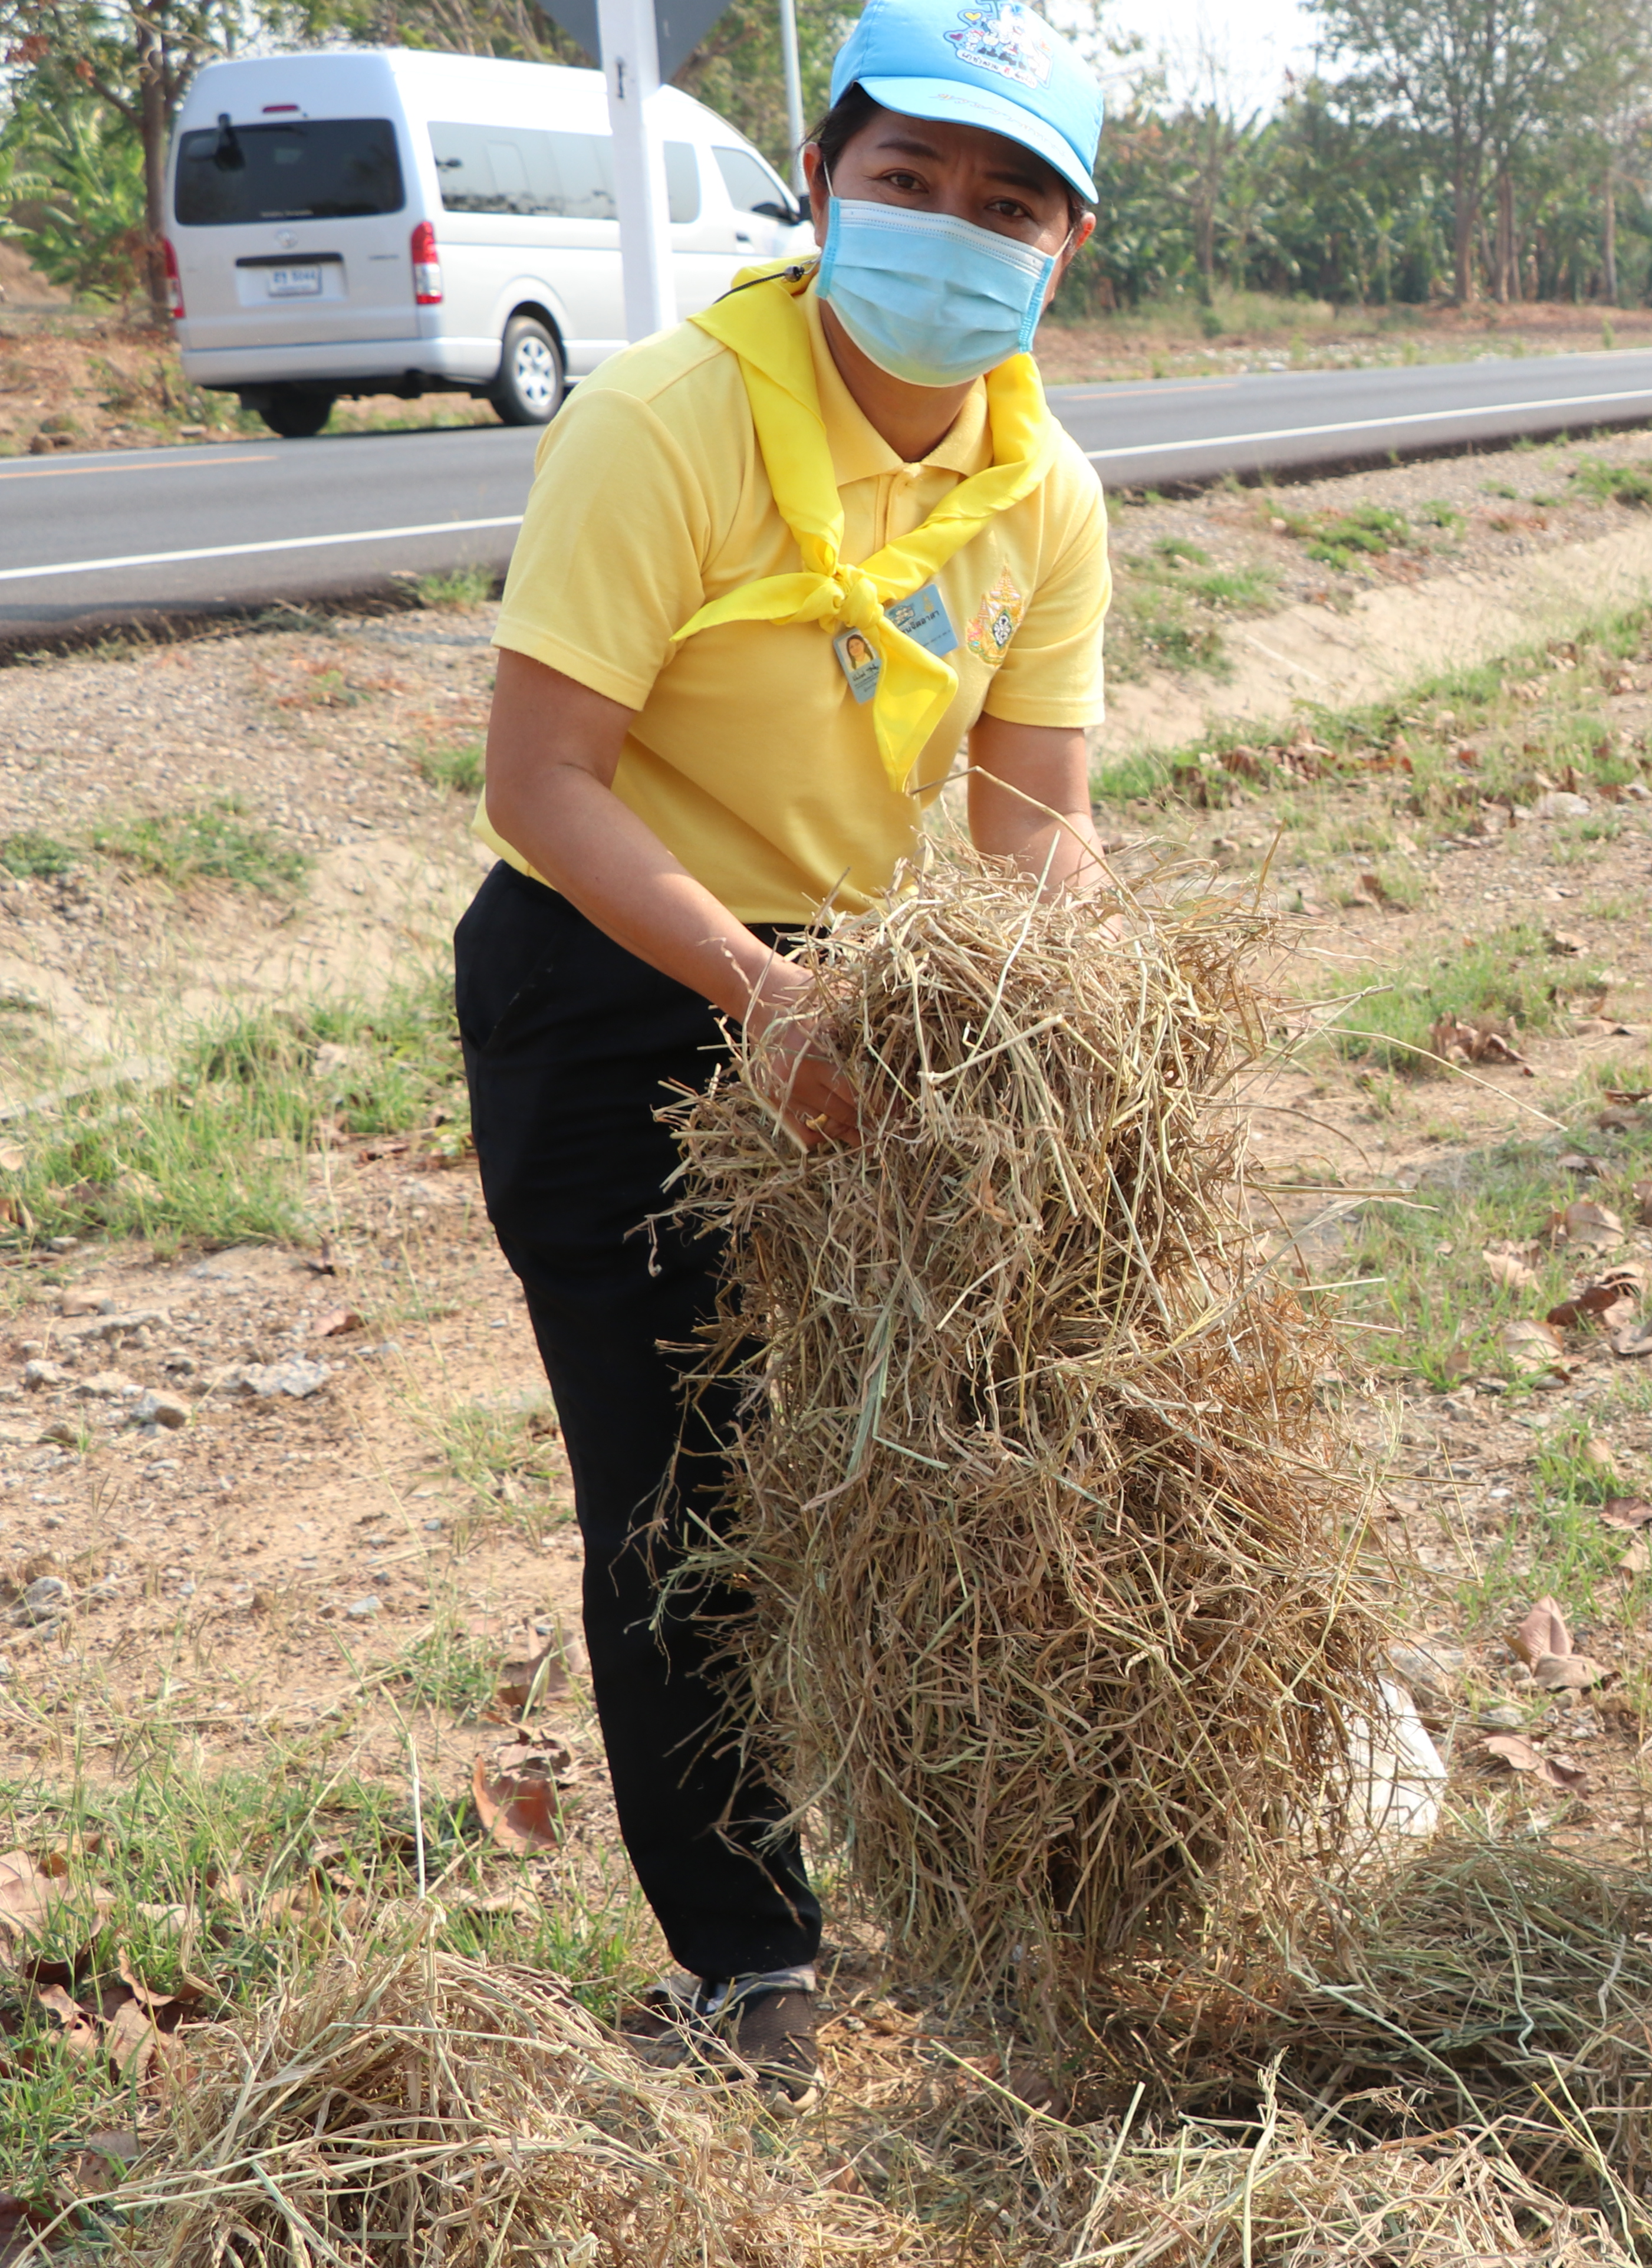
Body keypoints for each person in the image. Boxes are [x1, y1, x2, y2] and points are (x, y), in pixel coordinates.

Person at [462, 0, 1114, 2095]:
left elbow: (1032, 823)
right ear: (818, 185)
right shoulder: (668, 422)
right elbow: (543, 781)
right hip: (612, 974)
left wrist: (1058, 984)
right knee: (681, 1500)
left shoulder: (1047, 493)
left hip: (847, 988)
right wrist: (768, 1002)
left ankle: (1001, 1883)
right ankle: (754, 1958)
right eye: (908, 179)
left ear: (1063, 251)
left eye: (1007, 201)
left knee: (918, 1457)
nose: (950, 227)